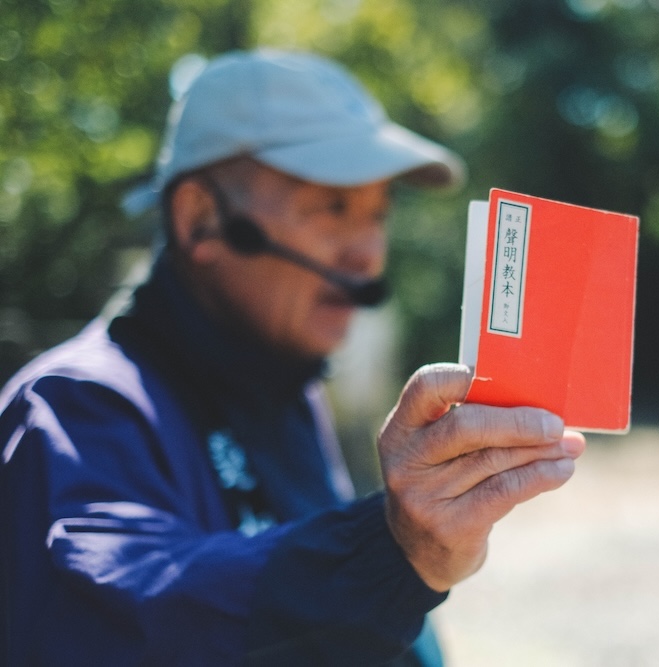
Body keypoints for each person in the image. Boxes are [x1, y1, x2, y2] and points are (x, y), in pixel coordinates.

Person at [0, 49, 585, 665]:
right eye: (332, 208)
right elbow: (121, 623)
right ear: (200, 219)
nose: (367, 254)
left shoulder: (286, 387)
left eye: (378, 214)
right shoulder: (75, 408)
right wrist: (390, 549)